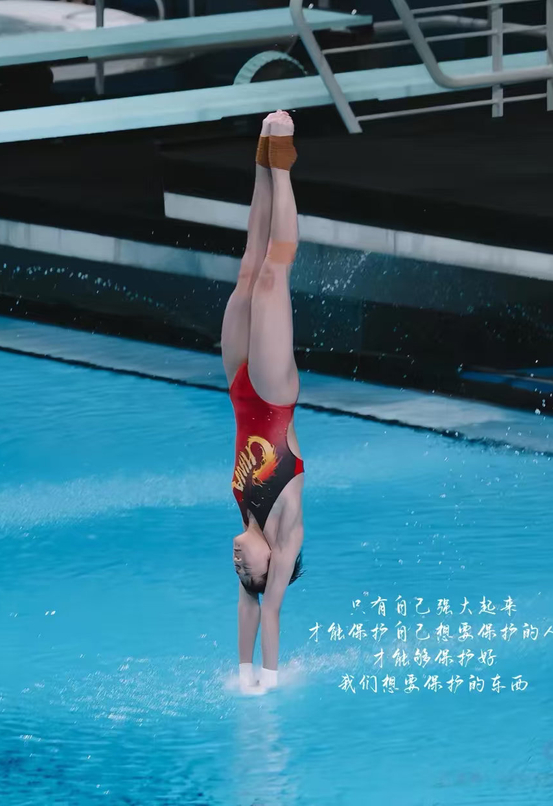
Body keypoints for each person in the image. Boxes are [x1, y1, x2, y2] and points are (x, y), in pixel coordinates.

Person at [221, 110, 305, 695]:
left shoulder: (247, 519)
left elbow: (246, 607)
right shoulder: (285, 530)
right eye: (245, 570)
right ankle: (284, 164)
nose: (236, 563)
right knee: (274, 274)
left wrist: (239, 672)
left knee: (249, 266)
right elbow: (267, 611)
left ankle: (260, 159)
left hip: (238, 390)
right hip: (274, 397)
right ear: (270, 567)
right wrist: (266, 683)